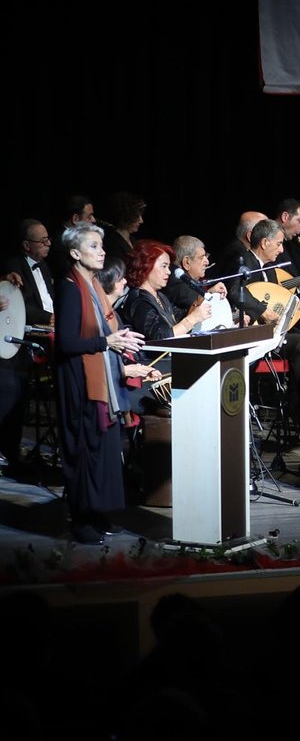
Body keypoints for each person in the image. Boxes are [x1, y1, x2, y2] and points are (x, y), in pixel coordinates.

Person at [54, 223, 159, 543]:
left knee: (104, 452)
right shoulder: (70, 288)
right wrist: (107, 342)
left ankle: (99, 513)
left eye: (101, 246)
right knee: (85, 452)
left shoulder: (95, 288)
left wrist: (120, 341)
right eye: (94, 246)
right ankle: (81, 518)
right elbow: (67, 343)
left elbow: (104, 331)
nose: (102, 252)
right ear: (75, 253)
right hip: (81, 384)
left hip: (104, 381)